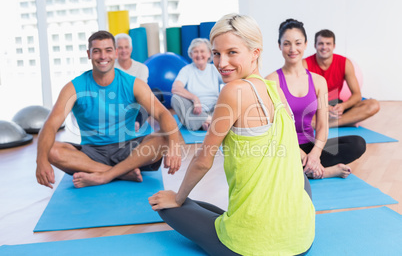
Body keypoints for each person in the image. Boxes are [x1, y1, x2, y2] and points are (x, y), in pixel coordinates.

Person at [149, 14, 315, 256]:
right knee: (298, 180)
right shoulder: (274, 87)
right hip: (302, 235)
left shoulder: (233, 90)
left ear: (255, 52)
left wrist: (178, 199)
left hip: (257, 245)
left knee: (166, 204)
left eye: (232, 53)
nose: (221, 62)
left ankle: (238, 224)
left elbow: (203, 160)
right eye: (216, 53)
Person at [36, 31, 181, 189]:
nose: (103, 56)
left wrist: (174, 147)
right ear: (89, 54)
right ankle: (121, 173)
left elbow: (162, 114)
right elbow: (50, 124)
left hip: (129, 151)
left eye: (108, 50)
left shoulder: (133, 84)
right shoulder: (73, 87)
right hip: (91, 155)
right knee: (49, 150)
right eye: (97, 51)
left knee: (165, 138)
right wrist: (41, 160)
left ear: (116, 53)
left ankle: (105, 176)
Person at [266, 19, 366, 179]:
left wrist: (315, 154)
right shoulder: (271, 80)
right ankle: (323, 172)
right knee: (265, 157)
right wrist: (305, 158)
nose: (293, 49)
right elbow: (274, 131)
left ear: (305, 44)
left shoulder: (318, 81)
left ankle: (304, 170)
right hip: (283, 146)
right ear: (279, 46)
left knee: (357, 143)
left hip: (310, 146)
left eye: (298, 43)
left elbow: (322, 126)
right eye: (286, 44)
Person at [302, 29, 380, 127]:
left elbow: (357, 95)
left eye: (328, 43)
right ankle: (345, 121)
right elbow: (301, 96)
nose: (324, 47)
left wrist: (343, 106)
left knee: (373, 105)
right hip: (315, 107)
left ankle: (330, 124)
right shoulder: (305, 64)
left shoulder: (345, 63)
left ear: (334, 46)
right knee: (299, 115)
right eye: (321, 43)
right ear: (315, 45)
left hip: (336, 106)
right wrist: (323, 107)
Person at [171, 38, 223, 131]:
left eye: (202, 51)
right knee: (175, 99)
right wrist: (195, 99)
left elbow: (230, 82)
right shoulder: (186, 70)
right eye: (195, 52)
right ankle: (210, 121)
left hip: (214, 110)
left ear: (209, 54)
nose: (199, 55)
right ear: (191, 54)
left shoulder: (214, 69)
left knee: (230, 96)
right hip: (195, 111)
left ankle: (204, 123)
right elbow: (175, 88)